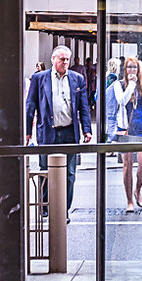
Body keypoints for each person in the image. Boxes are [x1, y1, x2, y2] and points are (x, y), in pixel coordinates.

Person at [25, 45, 92, 221]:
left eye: (67, 59)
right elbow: (30, 106)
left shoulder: (77, 79)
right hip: (48, 132)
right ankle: (45, 205)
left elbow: (83, 107)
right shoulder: (39, 78)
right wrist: (27, 132)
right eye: (62, 59)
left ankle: (64, 209)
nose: (65, 62)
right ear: (53, 59)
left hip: (70, 132)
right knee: (45, 170)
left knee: (70, 173)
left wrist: (87, 129)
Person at [111, 55, 142, 212]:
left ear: (139, 70)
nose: (132, 70)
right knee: (127, 166)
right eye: (129, 67)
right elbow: (122, 101)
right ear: (125, 70)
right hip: (125, 129)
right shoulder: (119, 85)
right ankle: (129, 200)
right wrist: (130, 84)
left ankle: (137, 189)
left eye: (135, 67)